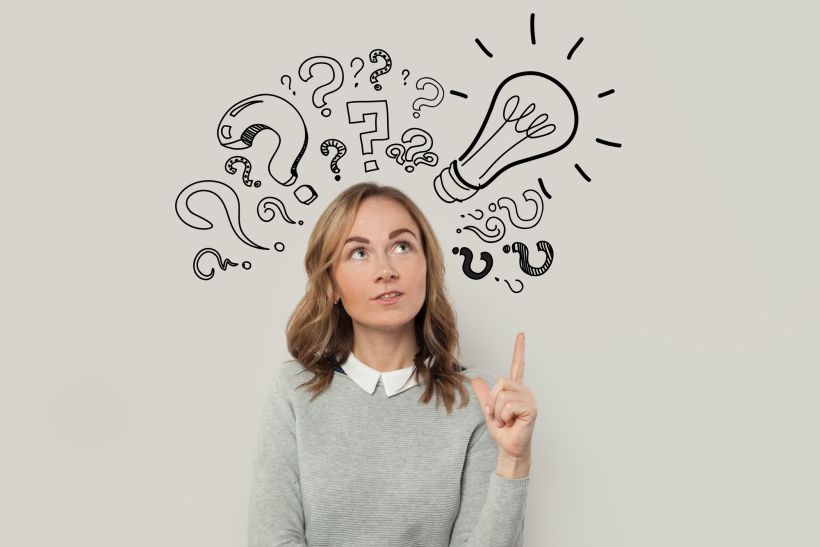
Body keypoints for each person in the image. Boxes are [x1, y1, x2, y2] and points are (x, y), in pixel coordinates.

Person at [248, 181, 538, 546]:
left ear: (427, 265)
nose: (385, 270)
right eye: (359, 252)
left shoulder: (478, 399)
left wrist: (514, 462)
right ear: (331, 284)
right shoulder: (294, 391)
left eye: (402, 246)